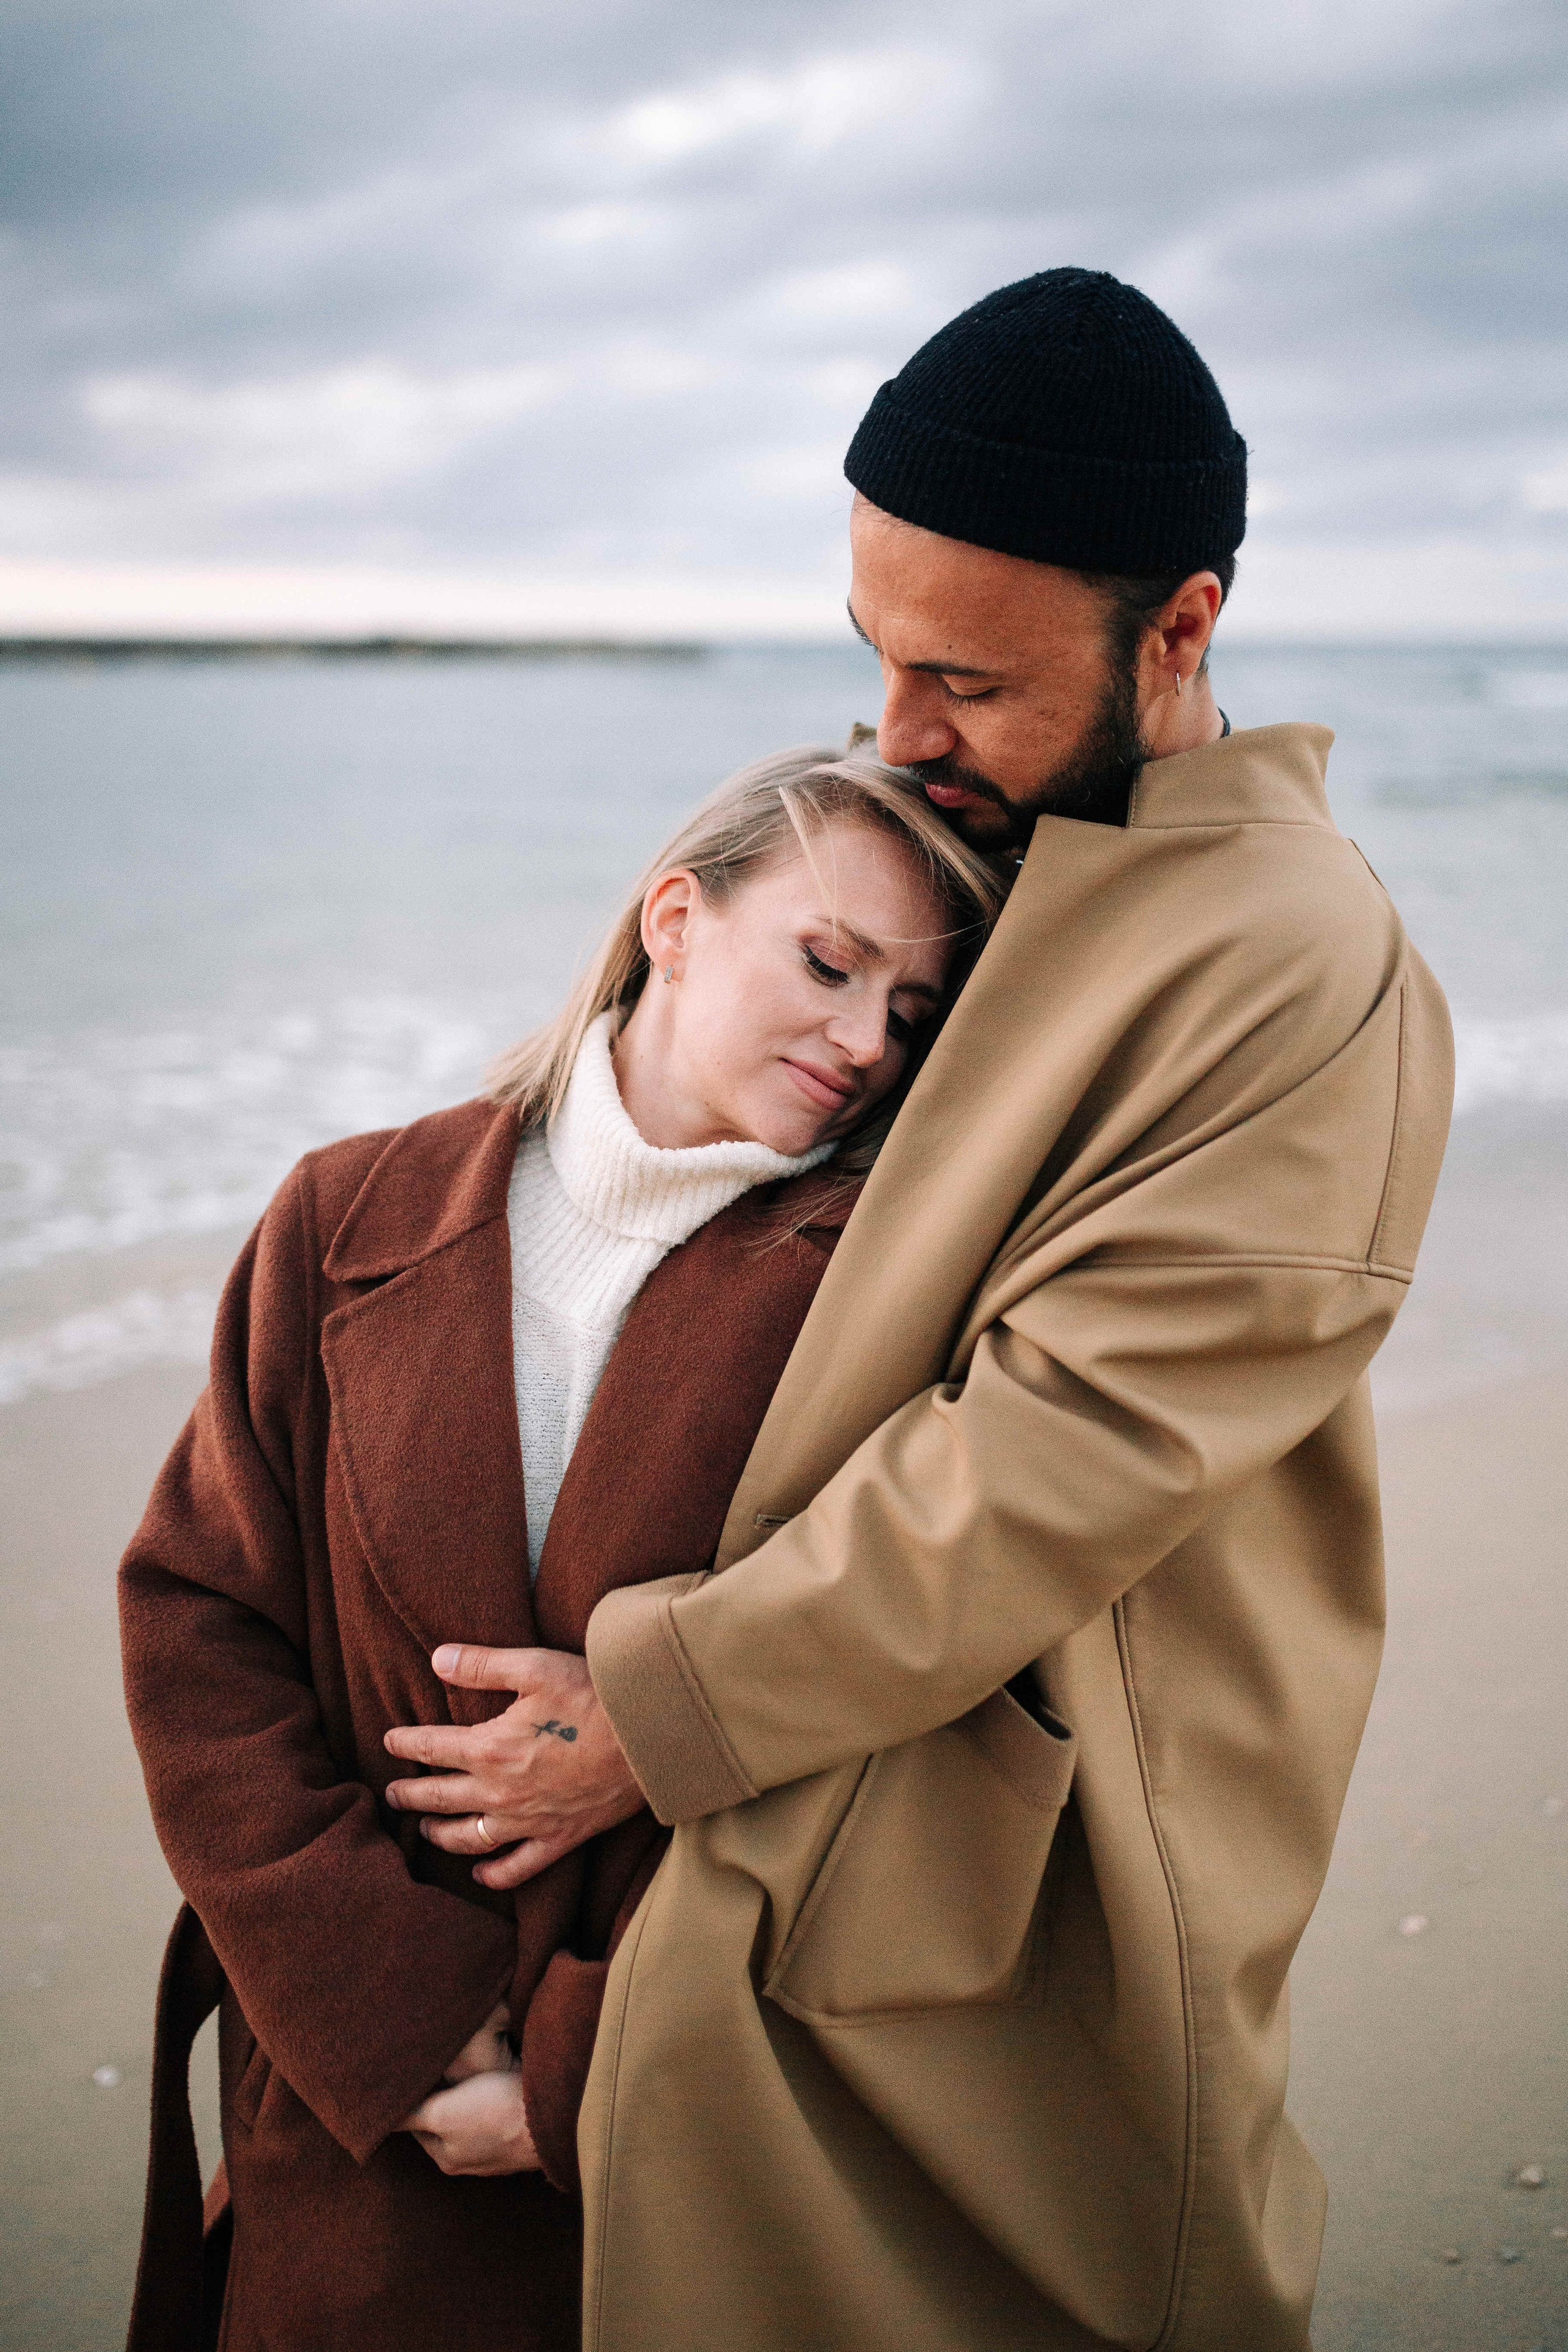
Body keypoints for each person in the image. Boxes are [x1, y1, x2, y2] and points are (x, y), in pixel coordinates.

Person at [384, 270, 1455, 2351]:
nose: (901, 736)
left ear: (1181, 631)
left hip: (1035, 1913)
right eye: (874, 657)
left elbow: (1066, 1456)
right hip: (794, 1832)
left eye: (965, 677)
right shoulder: (991, 871)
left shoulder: (1298, 960)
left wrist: (651, 1714)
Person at [117, 745, 1009, 2352]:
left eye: (910, 1014)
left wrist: (588, 2072)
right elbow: (200, 1620)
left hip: (685, 2124)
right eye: (829, 964)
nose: (866, 1040)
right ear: (675, 915)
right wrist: (396, 2018)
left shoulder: (872, 1301)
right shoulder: (347, 1213)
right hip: (354, 2098)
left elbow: (896, 1723)